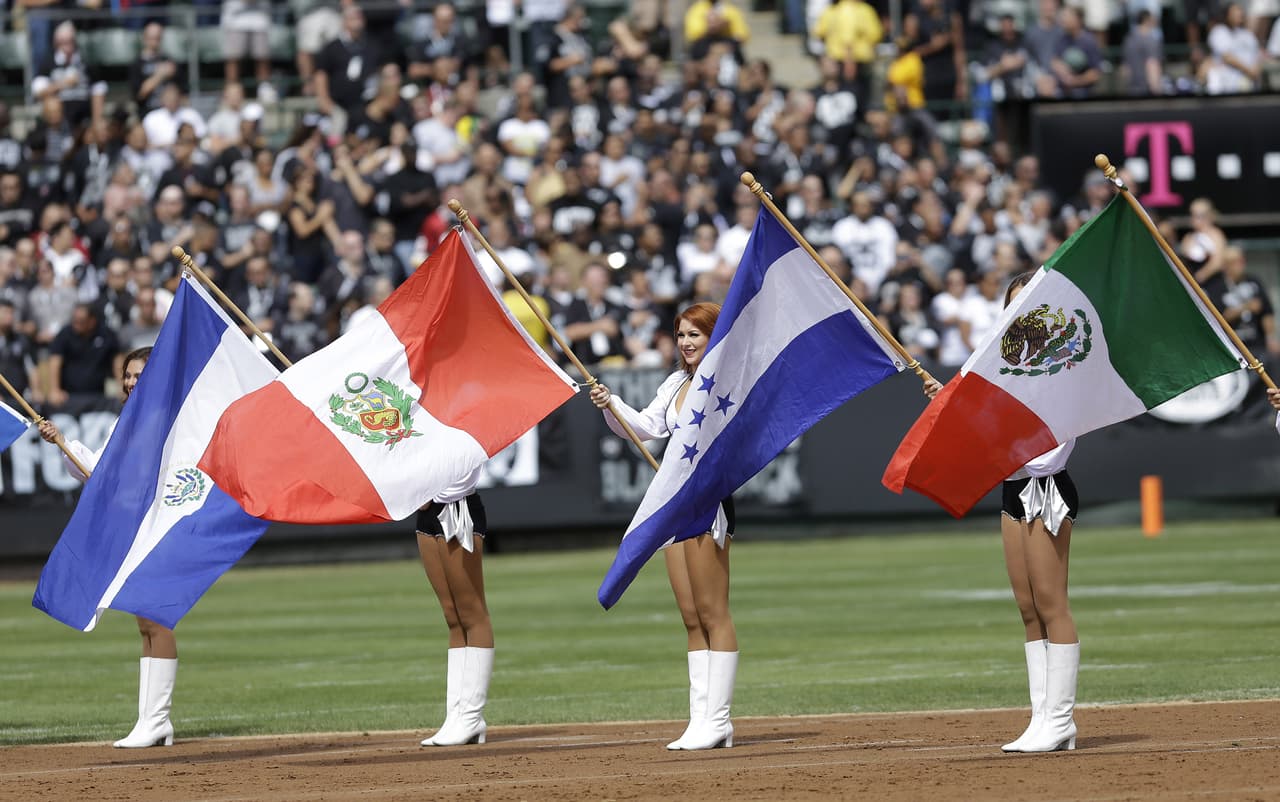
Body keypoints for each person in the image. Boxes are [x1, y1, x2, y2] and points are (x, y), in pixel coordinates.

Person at [925, 271, 1081, 753]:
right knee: (1028, 607)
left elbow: (1048, 454)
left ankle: (1061, 720)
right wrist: (954, 407)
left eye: (1030, 304)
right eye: (1014, 305)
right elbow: (987, 439)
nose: (1021, 314)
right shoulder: (997, 367)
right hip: (1014, 492)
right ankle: (1042, 719)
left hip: (1046, 489)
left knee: (1053, 604)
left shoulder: (1062, 365)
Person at [588, 303, 739, 751]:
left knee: (714, 612)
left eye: (697, 334)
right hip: (674, 502)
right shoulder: (675, 382)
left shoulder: (725, 382)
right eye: (681, 335)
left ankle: (720, 719)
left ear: (715, 337)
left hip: (707, 500)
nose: (688, 342)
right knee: (691, 616)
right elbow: (646, 427)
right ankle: (701, 720)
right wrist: (610, 402)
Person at [37, 347, 180, 749]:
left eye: (139, 375)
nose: (131, 382)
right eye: (128, 375)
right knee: (146, 623)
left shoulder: (163, 420)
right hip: (139, 531)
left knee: (156, 621)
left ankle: (156, 722)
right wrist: (62, 442)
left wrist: (68, 446)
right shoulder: (130, 421)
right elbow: (100, 474)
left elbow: (113, 480)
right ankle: (154, 722)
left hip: (158, 529)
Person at [414, 467, 494, 747]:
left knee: (472, 612)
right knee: (452, 616)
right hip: (426, 510)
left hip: (458, 508)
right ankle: (456, 716)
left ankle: (471, 717)